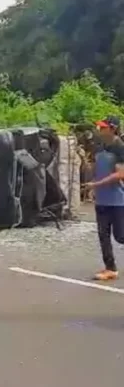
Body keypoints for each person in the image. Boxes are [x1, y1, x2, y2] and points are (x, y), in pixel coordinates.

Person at [84, 115, 124, 281]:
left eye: (103, 127)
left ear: (112, 128)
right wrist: (93, 185)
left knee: (120, 236)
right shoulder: (99, 147)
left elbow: (120, 174)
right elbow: (98, 168)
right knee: (103, 235)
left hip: (117, 200)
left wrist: (97, 184)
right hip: (101, 199)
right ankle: (110, 268)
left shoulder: (119, 148)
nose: (99, 130)